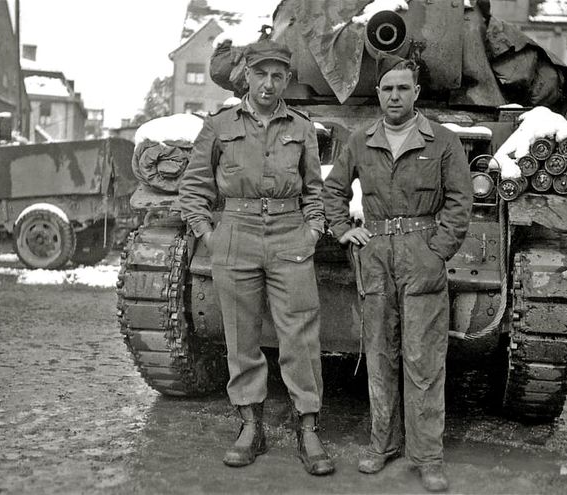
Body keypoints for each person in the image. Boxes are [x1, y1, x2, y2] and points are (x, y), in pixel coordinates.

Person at [179, 39, 334, 476]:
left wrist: (313, 231)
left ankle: (308, 428)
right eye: (261, 74)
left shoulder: (302, 127)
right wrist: (208, 235)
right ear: (246, 75)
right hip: (235, 234)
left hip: (290, 235)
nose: (269, 84)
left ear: (287, 79)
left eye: (278, 75)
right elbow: (194, 187)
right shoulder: (219, 124)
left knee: (300, 335)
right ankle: (250, 426)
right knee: (241, 335)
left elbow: (314, 191)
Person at [322, 56, 472, 492]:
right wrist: (343, 229)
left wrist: (437, 251)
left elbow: (460, 201)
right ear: (379, 93)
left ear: (416, 93)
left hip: (422, 251)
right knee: (380, 352)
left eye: (403, 89)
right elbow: (333, 188)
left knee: (423, 357)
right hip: (376, 251)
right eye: (387, 89)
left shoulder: (442, 141)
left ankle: (427, 455)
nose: (394, 96)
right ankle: (381, 444)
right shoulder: (360, 139)